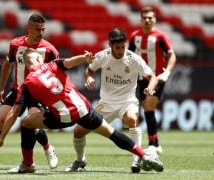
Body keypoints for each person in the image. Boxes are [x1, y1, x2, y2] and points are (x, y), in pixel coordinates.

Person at [0, 48, 164, 173]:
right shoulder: (53, 65)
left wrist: (2, 138)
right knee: (111, 133)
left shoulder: (26, 84)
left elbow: (13, 113)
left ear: (27, 65)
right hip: (83, 108)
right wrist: (85, 57)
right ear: (39, 59)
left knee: (27, 123)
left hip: (63, 117)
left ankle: (27, 164)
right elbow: (71, 62)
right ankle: (144, 155)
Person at [0, 13, 59, 171]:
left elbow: (58, 72)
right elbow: (7, 65)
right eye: (37, 29)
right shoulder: (16, 44)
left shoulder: (50, 49)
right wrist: (1, 89)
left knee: (32, 124)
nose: (41, 33)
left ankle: (48, 148)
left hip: (37, 93)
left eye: (43, 29)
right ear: (28, 28)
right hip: (18, 89)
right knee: (0, 120)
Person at [65, 28, 158, 173]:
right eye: (117, 47)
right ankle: (80, 160)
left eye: (123, 47)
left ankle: (136, 159)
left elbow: (152, 76)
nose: (121, 50)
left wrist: (150, 88)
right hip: (106, 104)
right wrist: (88, 77)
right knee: (78, 131)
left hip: (127, 101)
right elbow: (89, 70)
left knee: (132, 119)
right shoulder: (103, 56)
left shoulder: (133, 59)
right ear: (110, 45)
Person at [128, 6, 177, 154]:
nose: (148, 20)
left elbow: (172, 55)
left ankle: (154, 144)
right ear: (141, 19)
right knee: (145, 108)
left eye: (150, 18)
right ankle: (153, 141)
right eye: (145, 18)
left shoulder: (160, 36)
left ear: (155, 19)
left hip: (157, 77)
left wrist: (167, 72)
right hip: (140, 78)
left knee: (149, 105)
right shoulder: (134, 36)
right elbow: (128, 56)